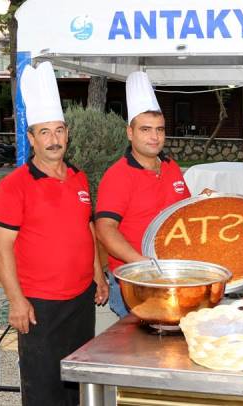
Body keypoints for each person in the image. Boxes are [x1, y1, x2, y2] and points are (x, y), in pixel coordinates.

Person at [0, 62, 108, 406]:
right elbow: (2, 249)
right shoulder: (14, 186)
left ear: (67, 134)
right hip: (40, 304)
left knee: (77, 384)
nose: (54, 140)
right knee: (44, 388)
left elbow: (86, 227)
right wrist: (16, 300)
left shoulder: (79, 177)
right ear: (32, 138)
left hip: (81, 300)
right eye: (45, 132)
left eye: (59, 131)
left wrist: (98, 275)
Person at [95, 71, 191, 318]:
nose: (154, 137)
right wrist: (141, 263)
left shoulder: (171, 167)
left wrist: (202, 201)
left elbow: (184, 212)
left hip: (170, 275)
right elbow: (105, 229)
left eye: (159, 129)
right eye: (146, 129)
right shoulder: (118, 175)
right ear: (130, 132)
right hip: (134, 282)